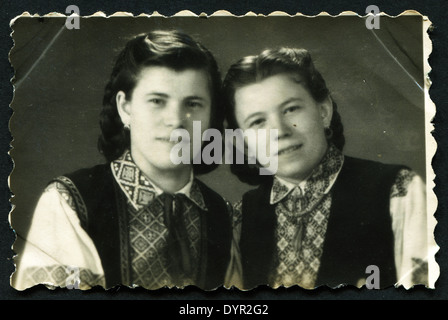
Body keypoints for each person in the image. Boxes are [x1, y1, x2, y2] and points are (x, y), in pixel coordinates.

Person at [13, 30, 232, 290]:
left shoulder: (223, 216)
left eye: (193, 104)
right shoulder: (69, 201)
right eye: (157, 101)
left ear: (210, 116)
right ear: (125, 108)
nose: (175, 120)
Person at [222, 47, 436, 290]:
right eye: (258, 122)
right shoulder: (242, 219)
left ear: (323, 111)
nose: (280, 131)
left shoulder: (399, 191)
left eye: (291, 109)